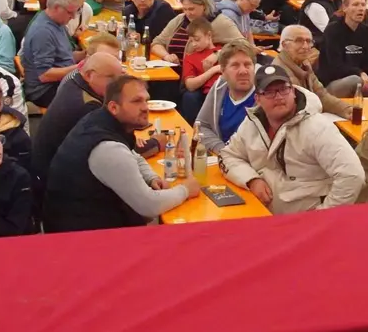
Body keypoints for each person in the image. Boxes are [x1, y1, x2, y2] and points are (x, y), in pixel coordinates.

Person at [44, 74, 201, 232]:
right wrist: (186, 190)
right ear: (114, 107)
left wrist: (151, 177)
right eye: (136, 101)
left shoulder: (100, 121)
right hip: (83, 239)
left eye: (146, 100)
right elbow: (149, 205)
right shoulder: (108, 148)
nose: (145, 107)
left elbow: (132, 153)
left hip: (74, 223)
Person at [218, 63, 365, 213]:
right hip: (261, 215)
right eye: (269, 92)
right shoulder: (251, 123)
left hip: (304, 223)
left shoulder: (318, 127)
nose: (279, 97)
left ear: (293, 91)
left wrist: (322, 218)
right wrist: (251, 180)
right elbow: (227, 156)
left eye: (283, 89)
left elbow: (352, 176)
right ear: (258, 99)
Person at [29, 49, 123, 197]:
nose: (118, 85)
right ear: (89, 75)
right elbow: (115, 150)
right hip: (58, 191)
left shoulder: (73, 82)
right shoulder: (87, 105)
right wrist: (154, 144)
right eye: (111, 78)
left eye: (121, 78)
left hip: (46, 175)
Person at [20, 0, 84, 107]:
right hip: (43, 91)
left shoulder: (57, 22)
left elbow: (64, 56)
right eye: (70, 12)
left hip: (57, 82)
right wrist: (81, 68)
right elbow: (45, 75)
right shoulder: (43, 32)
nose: (74, 17)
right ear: (56, 7)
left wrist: (85, 56)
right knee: (94, 98)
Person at [272, 24, 354, 118]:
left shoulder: (305, 64)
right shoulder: (280, 72)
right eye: (299, 41)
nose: (305, 46)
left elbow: (322, 95)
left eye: (308, 41)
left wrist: (345, 109)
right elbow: (299, 107)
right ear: (284, 45)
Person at [316, 0, 368, 97]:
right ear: (345, 8)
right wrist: (359, 72)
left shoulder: (366, 31)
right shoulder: (333, 30)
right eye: (355, 5)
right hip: (332, 83)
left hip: (362, 82)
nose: (361, 8)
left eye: (363, 5)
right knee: (355, 81)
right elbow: (335, 66)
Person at [192, 41, 260, 150]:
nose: (243, 71)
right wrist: (223, 151)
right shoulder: (220, 87)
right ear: (223, 71)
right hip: (222, 158)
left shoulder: (264, 94)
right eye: (235, 65)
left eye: (247, 65)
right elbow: (201, 126)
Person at [151, 0, 240, 65]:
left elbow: (243, 46)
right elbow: (156, 43)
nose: (188, 13)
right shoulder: (180, 19)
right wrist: (166, 56)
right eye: (185, 9)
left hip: (201, 78)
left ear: (204, 6)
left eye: (191, 9)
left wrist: (218, 54)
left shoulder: (221, 22)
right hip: (172, 74)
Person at [179, 18, 223, 122]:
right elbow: (189, 85)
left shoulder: (223, 50)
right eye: (191, 41)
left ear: (208, 35)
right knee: (189, 97)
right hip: (207, 93)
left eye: (197, 39)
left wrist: (219, 53)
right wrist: (213, 70)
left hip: (225, 90)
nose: (194, 44)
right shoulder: (190, 58)